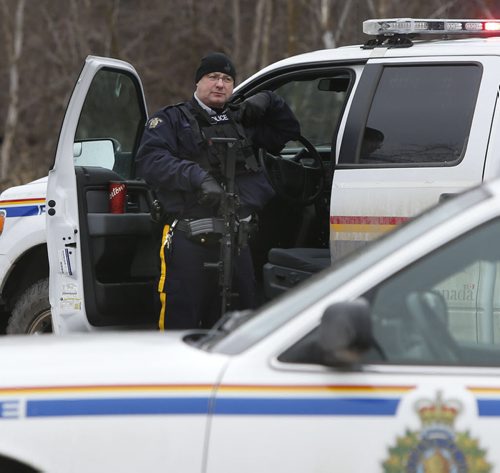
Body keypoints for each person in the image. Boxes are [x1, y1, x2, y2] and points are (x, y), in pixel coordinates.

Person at [135, 52, 300, 330]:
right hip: (190, 239)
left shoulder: (241, 121)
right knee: (180, 323)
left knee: (241, 326)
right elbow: (150, 162)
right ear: (197, 83)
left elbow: (288, 130)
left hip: (237, 241)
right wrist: (197, 178)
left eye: (227, 79)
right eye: (212, 77)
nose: (220, 84)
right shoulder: (172, 120)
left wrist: (270, 100)